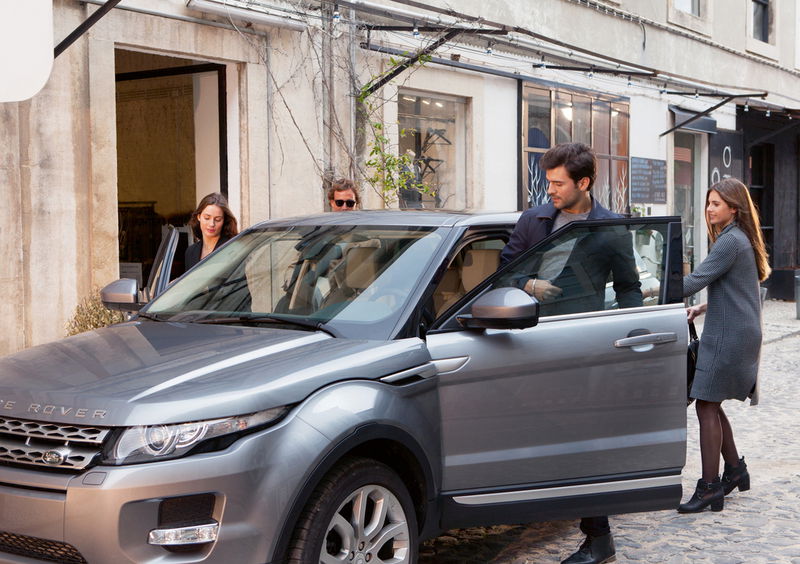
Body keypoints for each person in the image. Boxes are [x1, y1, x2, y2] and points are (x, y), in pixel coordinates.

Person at [500, 142, 640, 564]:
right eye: (548, 181)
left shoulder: (610, 227)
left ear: (584, 182)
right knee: (533, 435)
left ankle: (599, 538)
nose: (550, 190)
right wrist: (529, 285)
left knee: (582, 442)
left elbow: (629, 286)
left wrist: (629, 339)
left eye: (559, 183)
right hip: (526, 342)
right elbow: (504, 269)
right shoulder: (534, 219)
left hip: (583, 346)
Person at [677, 178, 770, 514]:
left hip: (731, 334)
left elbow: (695, 280)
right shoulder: (735, 238)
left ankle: (710, 486)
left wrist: (651, 289)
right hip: (734, 328)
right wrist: (703, 307)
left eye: (716, 203)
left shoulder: (730, 241)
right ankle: (734, 470)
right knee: (711, 403)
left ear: (734, 208)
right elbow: (738, 288)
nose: (709, 209)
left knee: (705, 405)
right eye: (708, 203)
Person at [185, 192, 238, 271]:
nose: (211, 224)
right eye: (207, 218)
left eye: (217, 219)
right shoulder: (191, 252)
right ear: (199, 217)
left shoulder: (233, 250)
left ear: (224, 220)